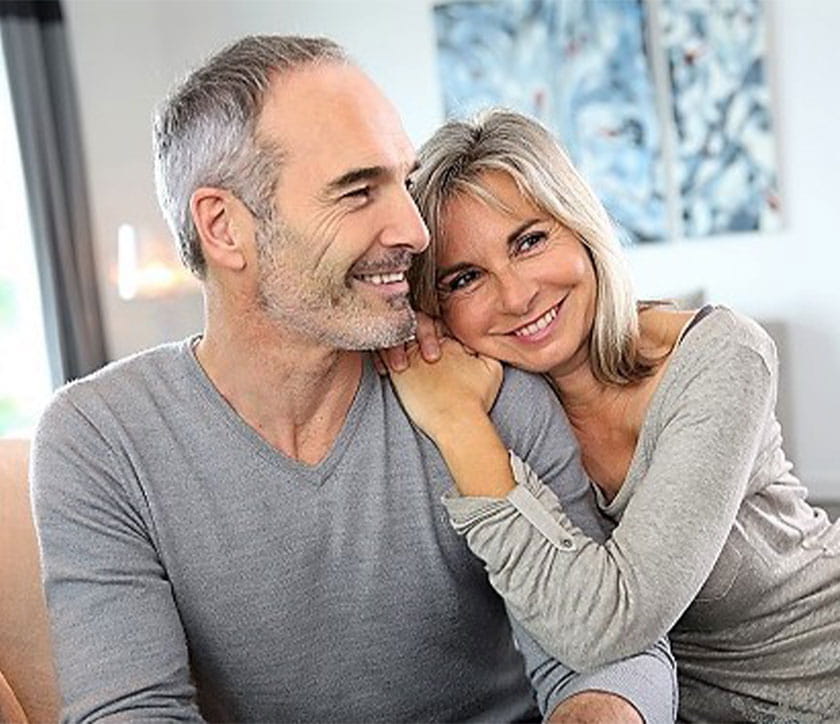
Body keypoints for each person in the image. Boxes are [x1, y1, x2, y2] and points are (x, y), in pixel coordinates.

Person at [30, 36, 677, 723]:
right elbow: (132, 712)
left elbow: (611, 652)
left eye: (404, 180)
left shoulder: (483, 387)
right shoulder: (99, 440)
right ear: (224, 228)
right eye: (358, 190)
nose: (415, 230)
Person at [383, 108, 840, 721]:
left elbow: (609, 625)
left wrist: (460, 425)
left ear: (580, 227)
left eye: (529, 241)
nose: (517, 296)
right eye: (465, 278)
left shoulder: (722, 356)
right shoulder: (506, 407)